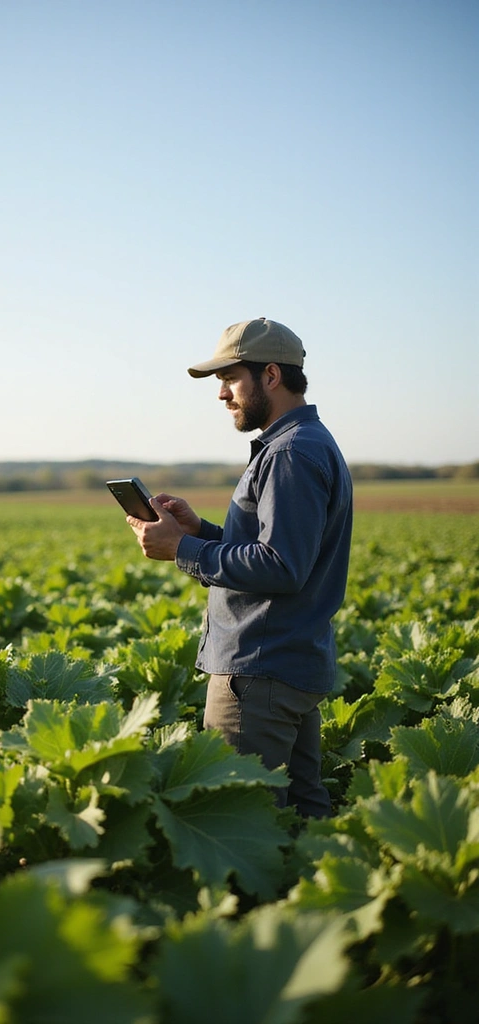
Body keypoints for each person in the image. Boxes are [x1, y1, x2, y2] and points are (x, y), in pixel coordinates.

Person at [126, 317, 353, 818]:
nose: (222, 395)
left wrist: (180, 551)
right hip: (288, 663)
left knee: (239, 821)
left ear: (270, 376)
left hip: (258, 672)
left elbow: (281, 567)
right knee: (300, 814)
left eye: (230, 380)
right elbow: (278, 549)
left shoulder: (290, 452)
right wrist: (199, 531)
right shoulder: (305, 443)